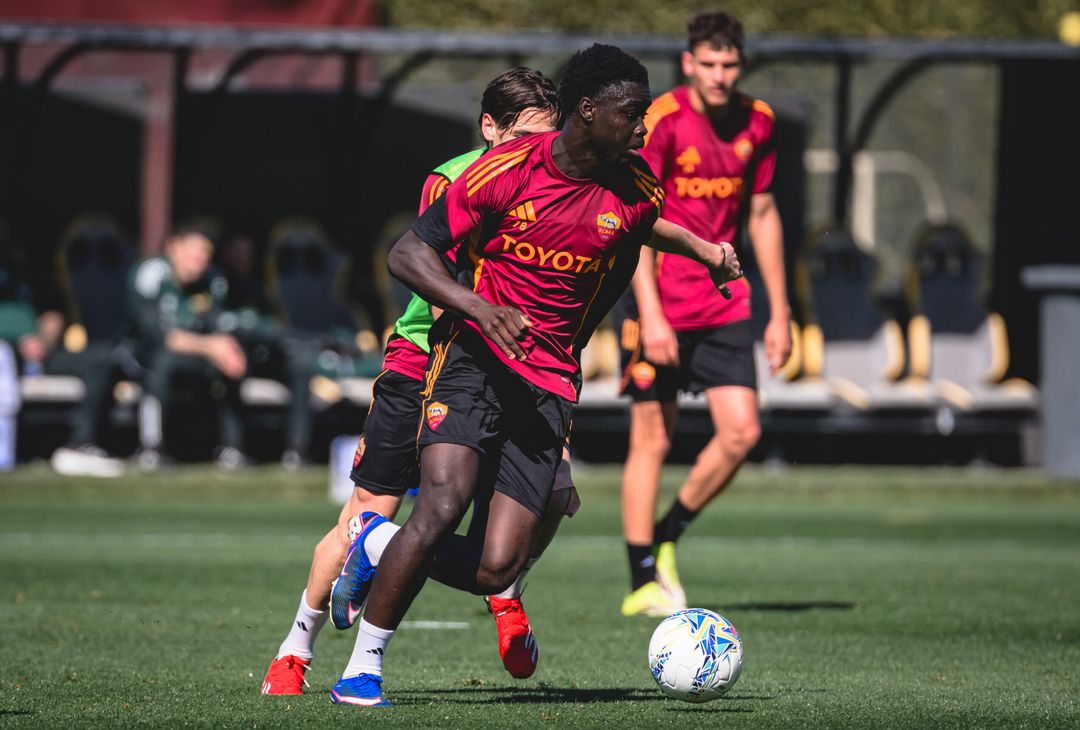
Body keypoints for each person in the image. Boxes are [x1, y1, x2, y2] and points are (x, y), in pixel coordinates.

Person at [327, 43, 741, 707]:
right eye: (632, 114)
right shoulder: (505, 170)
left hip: (547, 386)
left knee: (498, 568)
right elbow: (409, 253)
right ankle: (363, 667)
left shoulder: (634, 189)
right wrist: (478, 308)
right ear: (587, 111)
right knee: (439, 506)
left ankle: (374, 541)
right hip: (471, 363)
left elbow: (640, 236)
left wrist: (701, 251)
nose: (644, 127)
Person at [260, 67, 565, 697]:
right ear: (490, 128)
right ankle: (295, 649)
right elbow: (446, 269)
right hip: (425, 363)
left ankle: (507, 596)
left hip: (508, 370)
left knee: (556, 494)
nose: (538, 152)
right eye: (526, 137)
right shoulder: (454, 179)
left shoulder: (558, 183)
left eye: (548, 138)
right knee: (367, 515)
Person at [617, 11, 792, 616]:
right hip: (658, 301)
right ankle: (641, 577)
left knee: (742, 431)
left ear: (740, 65)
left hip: (725, 299)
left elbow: (764, 215)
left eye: (730, 64)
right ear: (689, 62)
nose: (719, 75)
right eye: (708, 63)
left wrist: (781, 311)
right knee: (653, 439)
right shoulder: (661, 120)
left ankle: (670, 531)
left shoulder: (760, 122)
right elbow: (636, 222)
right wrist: (652, 315)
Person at [128, 225, 252, 470]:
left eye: (206, 255)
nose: (200, 261)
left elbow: (217, 323)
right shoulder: (151, 274)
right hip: (142, 356)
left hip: (195, 356)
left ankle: (232, 448)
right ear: (173, 248)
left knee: (232, 358)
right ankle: (152, 447)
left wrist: (225, 346)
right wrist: (212, 346)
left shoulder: (212, 281)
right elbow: (161, 337)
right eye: (194, 253)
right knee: (163, 362)